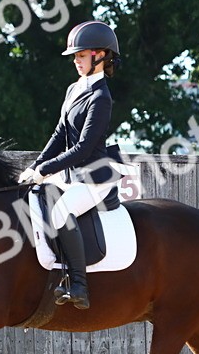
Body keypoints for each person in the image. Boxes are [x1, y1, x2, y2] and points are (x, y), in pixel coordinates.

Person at [18, 20, 122, 310]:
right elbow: (59, 135)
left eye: (81, 55)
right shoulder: (74, 90)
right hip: (70, 174)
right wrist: (35, 166)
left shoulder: (101, 97)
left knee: (62, 213)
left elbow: (84, 147)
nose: (76, 60)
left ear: (100, 55)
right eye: (75, 56)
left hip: (94, 177)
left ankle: (79, 286)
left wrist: (44, 170)